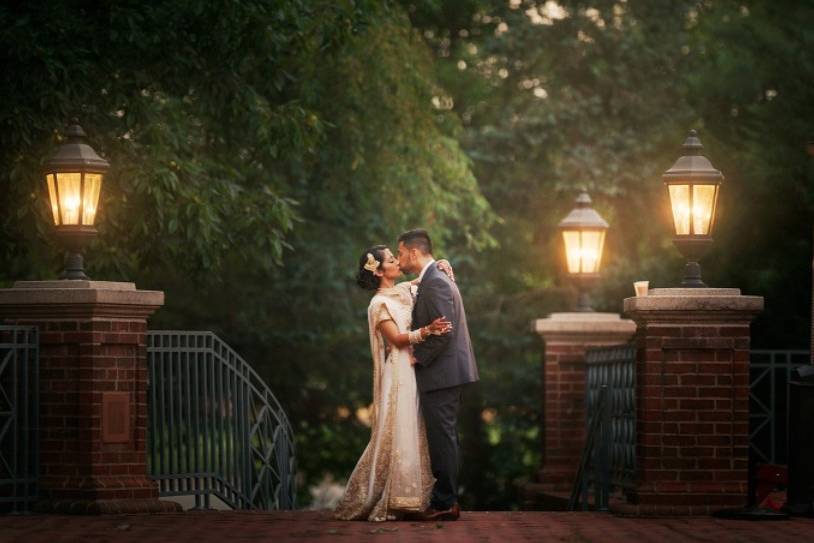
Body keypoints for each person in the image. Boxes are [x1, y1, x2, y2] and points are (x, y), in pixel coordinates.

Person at [333, 245, 454, 522]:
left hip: (413, 367)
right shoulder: (378, 304)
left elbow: (421, 278)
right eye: (391, 260)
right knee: (402, 427)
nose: (397, 261)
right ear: (378, 271)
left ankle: (414, 496)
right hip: (399, 372)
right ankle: (398, 498)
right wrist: (428, 331)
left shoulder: (399, 291)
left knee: (416, 426)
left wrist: (441, 263)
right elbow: (397, 340)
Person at [397, 229, 479, 522]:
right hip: (446, 372)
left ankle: (445, 501)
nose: (399, 258)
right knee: (444, 436)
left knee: (442, 438)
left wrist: (416, 358)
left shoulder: (436, 283)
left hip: (442, 372)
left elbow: (444, 331)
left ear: (414, 252)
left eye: (401, 252)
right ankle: (447, 499)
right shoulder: (434, 278)